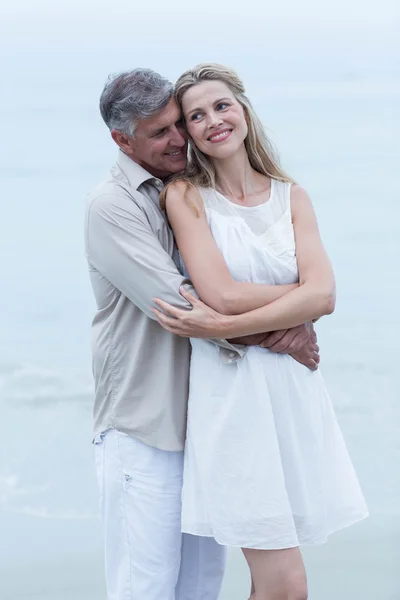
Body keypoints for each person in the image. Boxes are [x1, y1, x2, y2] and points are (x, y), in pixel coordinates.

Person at [85, 69, 320, 600]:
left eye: (178, 124)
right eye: (160, 132)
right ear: (123, 140)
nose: (178, 139)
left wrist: (305, 306)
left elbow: (236, 291)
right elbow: (187, 304)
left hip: (205, 427)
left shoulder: (188, 191)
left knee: (199, 590)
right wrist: (293, 321)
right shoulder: (113, 205)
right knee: (143, 590)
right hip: (144, 430)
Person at [152, 63, 369, 600]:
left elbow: (325, 297)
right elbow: (222, 291)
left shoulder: (291, 195)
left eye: (221, 106)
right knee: (287, 585)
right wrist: (297, 308)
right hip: (234, 400)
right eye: (196, 116)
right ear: (190, 133)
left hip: (293, 398)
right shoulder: (185, 196)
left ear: (243, 110)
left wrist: (226, 324)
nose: (212, 121)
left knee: (269, 584)